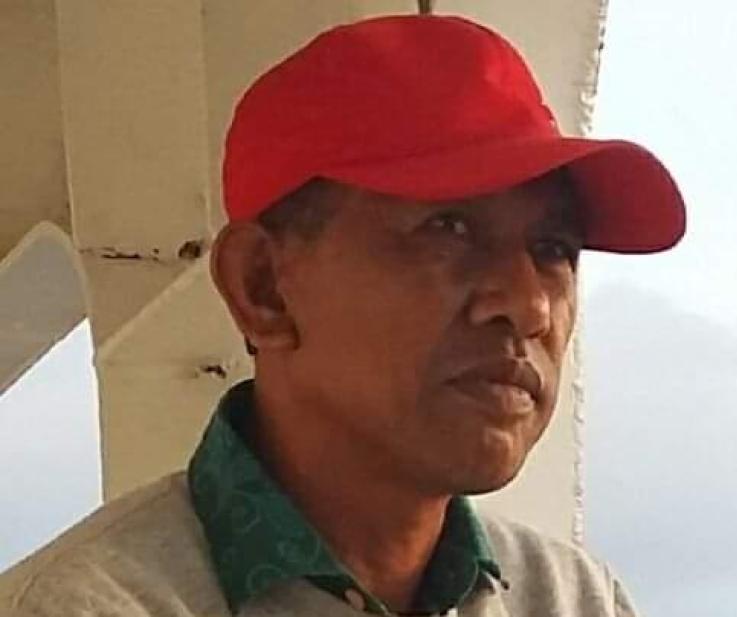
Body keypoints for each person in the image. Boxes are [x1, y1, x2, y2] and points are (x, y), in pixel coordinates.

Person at [1, 14, 685, 617]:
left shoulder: (573, 599)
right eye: (448, 228)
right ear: (262, 287)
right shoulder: (86, 606)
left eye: (554, 249)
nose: (529, 304)